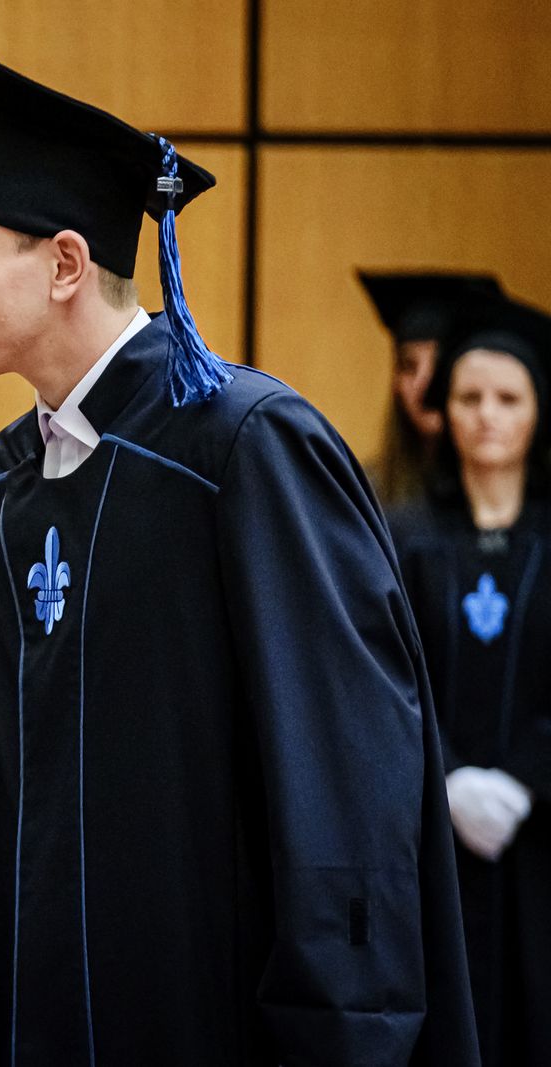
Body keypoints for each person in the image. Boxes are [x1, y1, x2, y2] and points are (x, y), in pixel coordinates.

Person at [0, 53, 479, 1064]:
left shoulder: (245, 451)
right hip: (22, 1011)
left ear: (65, 264)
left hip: (210, 1013)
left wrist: (342, 1031)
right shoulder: (0, 487)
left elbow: (344, 777)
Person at [388, 295, 551, 1067]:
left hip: (540, 840)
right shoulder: (402, 537)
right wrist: (448, 777)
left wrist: (525, 777)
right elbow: (383, 675)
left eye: (508, 398)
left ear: (539, 412)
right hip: (433, 834)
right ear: (443, 411)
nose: (487, 415)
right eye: (469, 397)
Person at [359, 270, 503, 506]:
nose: (424, 383)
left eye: (439, 362)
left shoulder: (521, 498)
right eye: (409, 367)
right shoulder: (366, 492)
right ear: (396, 385)